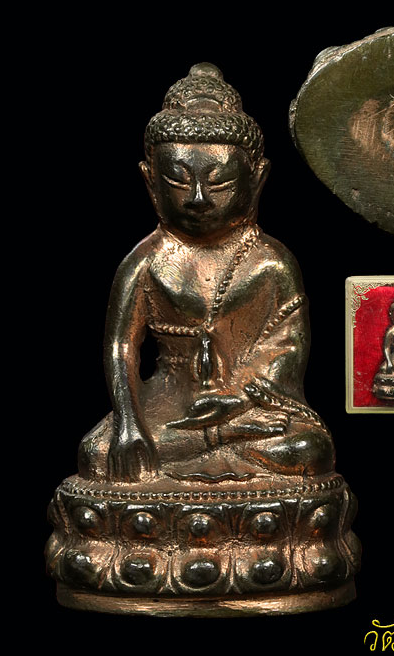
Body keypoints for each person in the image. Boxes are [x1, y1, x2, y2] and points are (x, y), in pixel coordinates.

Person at [78, 63, 333, 483]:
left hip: (247, 406)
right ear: (150, 182)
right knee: (97, 453)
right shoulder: (146, 261)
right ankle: (224, 438)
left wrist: (237, 401)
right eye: (178, 182)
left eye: (220, 183)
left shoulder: (271, 263)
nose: (198, 198)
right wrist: (128, 421)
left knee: (308, 450)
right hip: (165, 406)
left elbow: (287, 351)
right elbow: (121, 346)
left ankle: (225, 434)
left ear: (257, 180)